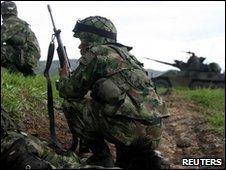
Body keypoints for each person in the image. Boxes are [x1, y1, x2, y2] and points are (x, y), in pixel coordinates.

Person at [58, 16, 169, 168]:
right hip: (154, 133)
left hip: (127, 130)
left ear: (90, 39)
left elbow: (70, 92)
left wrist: (64, 77)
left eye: (81, 41)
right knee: (114, 108)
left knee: (71, 105)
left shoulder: (96, 53)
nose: (79, 47)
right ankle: (149, 158)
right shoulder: (129, 56)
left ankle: (101, 157)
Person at [1, 1, 41, 76]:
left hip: (26, 57)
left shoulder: (11, 23)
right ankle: (24, 72)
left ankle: (17, 72)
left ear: (3, 13)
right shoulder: (19, 23)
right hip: (29, 57)